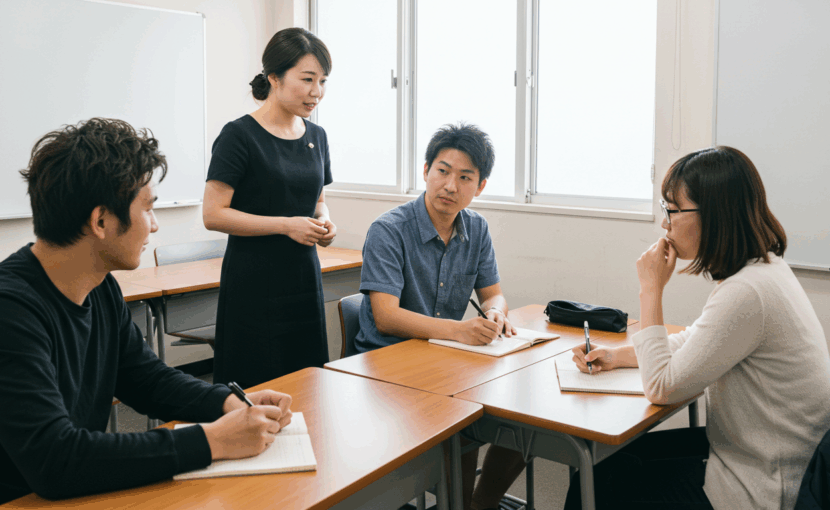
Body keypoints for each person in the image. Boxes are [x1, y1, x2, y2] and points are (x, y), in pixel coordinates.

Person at [0, 118, 293, 504]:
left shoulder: (99, 286)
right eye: (149, 210)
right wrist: (211, 440)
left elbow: (146, 379)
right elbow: (56, 460)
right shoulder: (11, 310)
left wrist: (227, 402)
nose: (155, 226)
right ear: (101, 221)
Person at [567, 146, 830, 509]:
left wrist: (650, 289)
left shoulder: (747, 291)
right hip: (765, 454)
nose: (665, 223)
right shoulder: (764, 268)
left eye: (672, 210)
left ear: (715, 214)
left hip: (766, 484)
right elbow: (699, 339)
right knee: (610, 460)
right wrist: (618, 356)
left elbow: (661, 388)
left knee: (594, 483)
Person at [355, 122, 525, 510]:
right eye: (443, 171)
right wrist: (459, 332)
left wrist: (496, 314)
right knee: (462, 421)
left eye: (465, 177)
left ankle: (480, 503)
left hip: (447, 362)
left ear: (479, 186)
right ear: (426, 171)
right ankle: (460, 501)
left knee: (523, 419)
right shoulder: (389, 230)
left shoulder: (476, 229)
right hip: (389, 366)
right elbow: (385, 317)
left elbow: (493, 293)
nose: (450, 186)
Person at [203, 28, 336, 388]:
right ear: (274, 77)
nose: (316, 92)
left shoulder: (316, 137)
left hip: (303, 279)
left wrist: (324, 222)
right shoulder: (239, 135)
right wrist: (286, 225)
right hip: (254, 282)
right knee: (254, 384)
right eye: (307, 79)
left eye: (322, 81)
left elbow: (317, 201)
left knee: (306, 383)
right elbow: (213, 214)